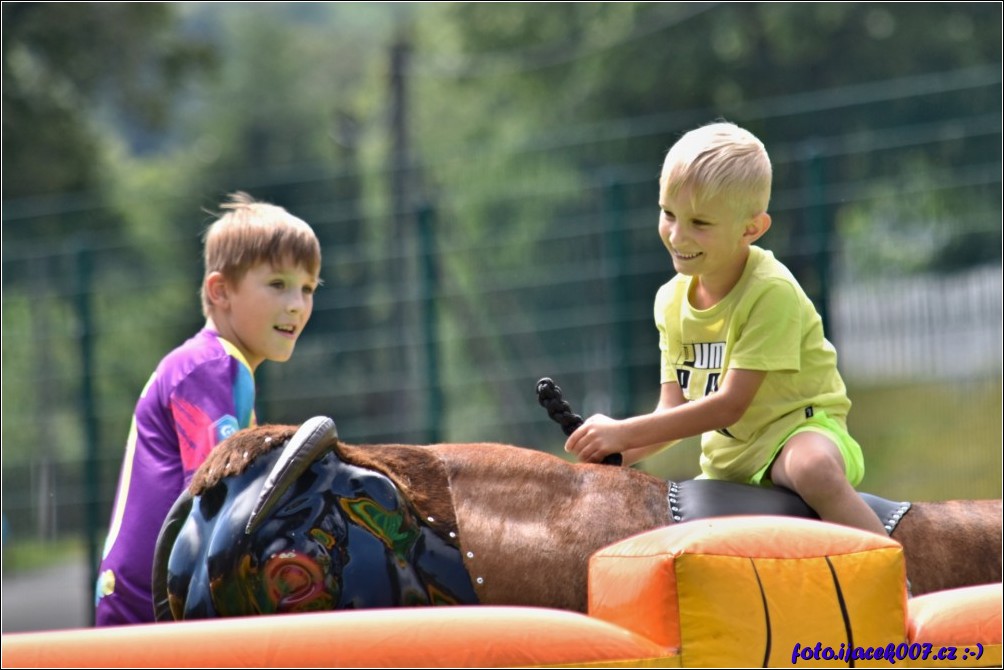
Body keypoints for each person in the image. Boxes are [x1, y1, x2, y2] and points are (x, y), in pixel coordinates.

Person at [564, 121, 888, 538]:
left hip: (798, 434)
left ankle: (900, 583)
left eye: (700, 222)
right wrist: (614, 452)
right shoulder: (670, 300)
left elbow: (728, 405)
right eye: (668, 214)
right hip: (726, 464)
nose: (677, 235)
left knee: (814, 470)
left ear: (751, 229)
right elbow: (672, 413)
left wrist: (622, 430)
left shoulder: (771, 291)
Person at [94, 191, 322, 625]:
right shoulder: (212, 365)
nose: (297, 303)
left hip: (148, 601)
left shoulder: (219, 367)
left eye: (307, 288)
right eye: (278, 284)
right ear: (221, 291)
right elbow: (215, 503)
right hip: (152, 610)